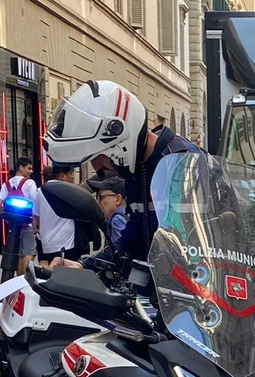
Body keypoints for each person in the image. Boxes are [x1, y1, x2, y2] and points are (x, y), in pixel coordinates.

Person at [43, 81, 198, 265]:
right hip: (156, 288)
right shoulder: (137, 172)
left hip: (191, 287)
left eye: (98, 155)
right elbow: (131, 239)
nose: (96, 166)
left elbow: (212, 238)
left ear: (121, 139)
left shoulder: (184, 162)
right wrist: (85, 266)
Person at [0, 159, 38, 269]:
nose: (31, 171)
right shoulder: (30, 183)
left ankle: (19, 280)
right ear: (21, 167)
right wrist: (35, 227)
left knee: (19, 255)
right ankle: (24, 279)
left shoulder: (6, 184)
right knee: (29, 253)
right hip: (27, 224)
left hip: (14, 226)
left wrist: (7, 219)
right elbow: (34, 206)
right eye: (29, 168)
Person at [35, 161, 80, 261]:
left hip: (47, 242)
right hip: (67, 243)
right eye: (71, 173)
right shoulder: (69, 191)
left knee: (47, 270)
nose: (73, 177)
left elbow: (37, 217)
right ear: (63, 176)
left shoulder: (39, 191)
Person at [89, 175, 129, 254]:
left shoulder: (117, 219)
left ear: (117, 199)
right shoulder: (127, 214)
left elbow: (122, 251)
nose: (98, 202)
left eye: (101, 197)